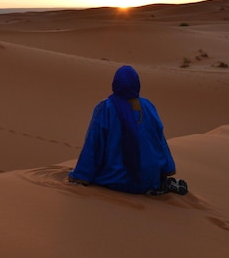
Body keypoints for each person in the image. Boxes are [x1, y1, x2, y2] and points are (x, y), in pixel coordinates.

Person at [68, 65, 188, 195]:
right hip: (150, 180)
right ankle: (162, 183)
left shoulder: (106, 108)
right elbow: (160, 142)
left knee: (101, 175)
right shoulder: (148, 107)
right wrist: (166, 171)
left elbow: (94, 145)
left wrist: (81, 176)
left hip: (117, 180)